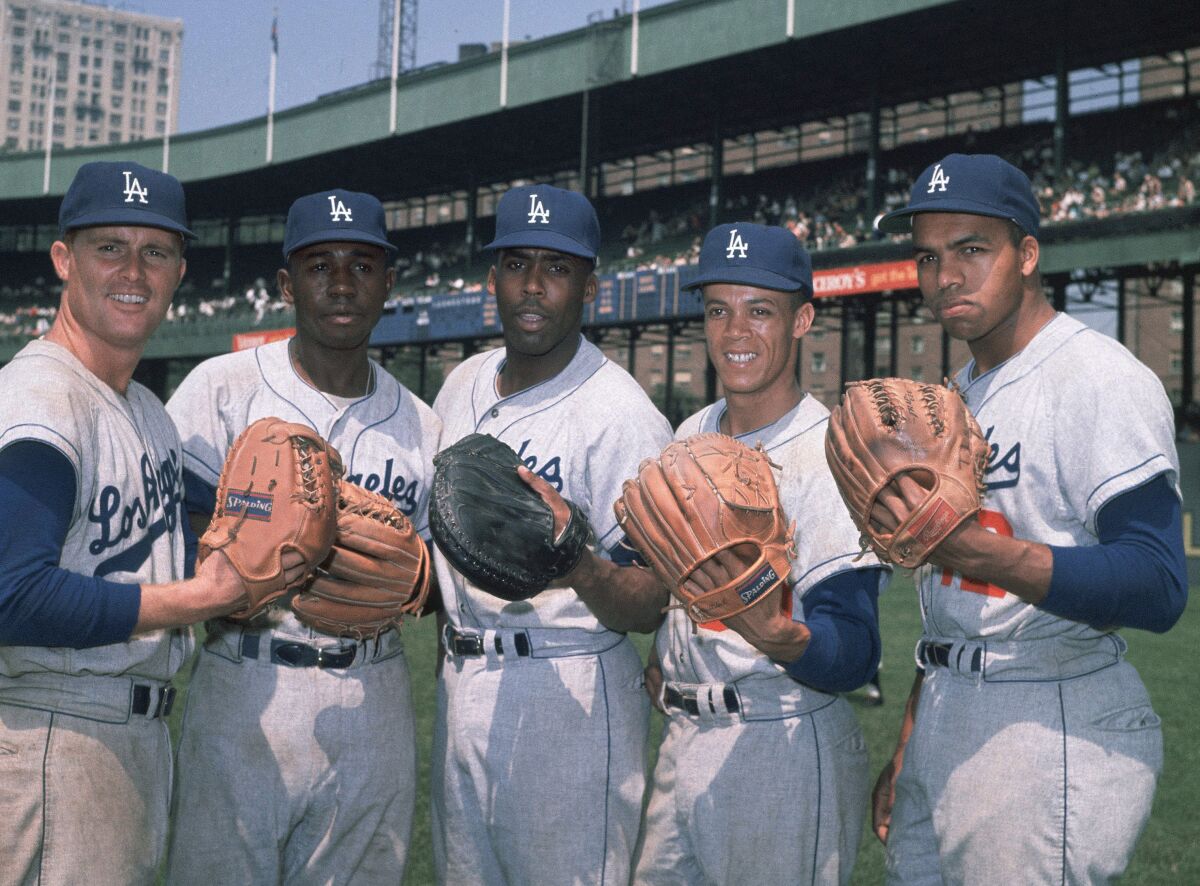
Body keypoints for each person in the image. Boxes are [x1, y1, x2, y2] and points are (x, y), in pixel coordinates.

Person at [871, 153, 1188, 883]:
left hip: (1048, 714)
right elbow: (953, 611)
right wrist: (913, 740)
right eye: (928, 255)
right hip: (950, 708)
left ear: (1028, 255)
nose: (945, 275)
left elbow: (1157, 580)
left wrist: (975, 552)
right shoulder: (955, 397)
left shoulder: (1097, 377)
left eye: (972, 249)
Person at [164, 189, 442, 883]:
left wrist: (413, 583)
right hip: (243, 689)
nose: (341, 283)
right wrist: (252, 554)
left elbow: (435, 587)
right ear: (287, 284)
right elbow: (167, 535)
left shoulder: (422, 425)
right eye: (319, 265)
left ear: (389, 283)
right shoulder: (219, 389)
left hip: (371, 695)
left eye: (361, 264)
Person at [0, 161, 258, 884]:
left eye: (155, 252)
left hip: (131, 740)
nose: (133, 271)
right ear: (63, 260)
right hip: (52, 732)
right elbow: (11, 596)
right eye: (109, 247)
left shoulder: (147, 412)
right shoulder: (42, 397)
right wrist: (203, 598)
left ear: (180, 270)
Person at [429, 184, 674, 885]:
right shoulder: (463, 384)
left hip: (569, 686)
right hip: (462, 679)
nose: (533, 286)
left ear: (590, 287)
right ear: (493, 278)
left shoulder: (622, 414)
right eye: (516, 264)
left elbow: (652, 599)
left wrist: (583, 569)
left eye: (557, 268)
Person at [632, 223, 888, 884]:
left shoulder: (832, 449)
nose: (735, 331)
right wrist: (669, 648)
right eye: (719, 310)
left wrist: (779, 635)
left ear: (803, 319)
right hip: (685, 740)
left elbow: (856, 648)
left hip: (782, 741)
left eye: (760, 310)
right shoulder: (691, 432)